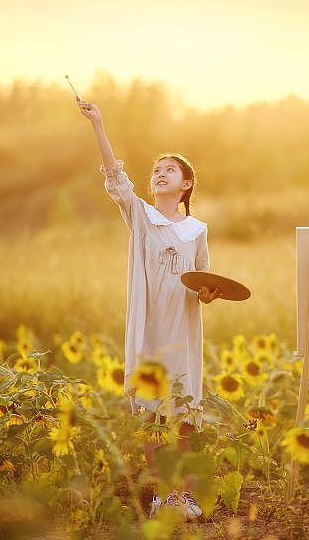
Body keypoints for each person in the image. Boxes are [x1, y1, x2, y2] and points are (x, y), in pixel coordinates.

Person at [77, 97, 221, 521]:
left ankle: (186, 496)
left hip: (184, 329)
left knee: (186, 411)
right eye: (155, 170)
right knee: (153, 413)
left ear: (186, 184)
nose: (159, 174)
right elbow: (117, 180)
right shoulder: (140, 216)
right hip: (150, 328)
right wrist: (98, 125)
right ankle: (161, 494)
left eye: (169, 170)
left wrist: (208, 294)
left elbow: (202, 281)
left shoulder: (198, 230)